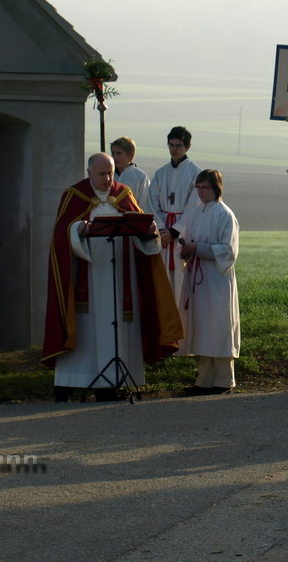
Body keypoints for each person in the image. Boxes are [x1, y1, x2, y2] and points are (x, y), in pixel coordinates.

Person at [41, 153, 183, 401]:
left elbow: (142, 231)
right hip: (88, 279)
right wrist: (78, 229)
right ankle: (68, 385)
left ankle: (110, 386)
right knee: (86, 332)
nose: (107, 179)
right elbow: (61, 235)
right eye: (101, 174)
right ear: (89, 173)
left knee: (117, 329)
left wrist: (149, 232)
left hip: (120, 279)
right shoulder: (74, 196)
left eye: (110, 173)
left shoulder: (124, 194)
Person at [175, 169, 241, 395]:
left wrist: (198, 248)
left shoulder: (225, 214)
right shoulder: (194, 214)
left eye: (206, 187)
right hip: (198, 278)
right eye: (199, 187)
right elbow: (179, 237)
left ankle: (224, 380)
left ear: (216, 189)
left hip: (217, 280)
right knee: (203, 327)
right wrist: (183, 249)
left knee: (219, 326)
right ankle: (204, 379)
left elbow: (229, 252)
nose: (201, 191)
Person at [149, 125, 201, 351]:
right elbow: (151, 203)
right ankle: (163, 338)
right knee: (162, 287)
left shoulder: (195, 173)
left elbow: (194, 206)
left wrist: (175, 231)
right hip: (163, 238)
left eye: (178, 145)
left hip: (180, 239)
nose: (174, 149)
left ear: (187, 146)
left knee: (182, 289)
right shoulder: (160, 173)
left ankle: (182, 341)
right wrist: (162, 229)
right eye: (171, 145)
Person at [110, 136, 151, 211]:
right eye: (113, 153)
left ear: (130, 155)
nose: (115, 157)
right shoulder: (108, 175)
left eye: (119, 153)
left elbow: (144, 203)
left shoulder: (140, 176)